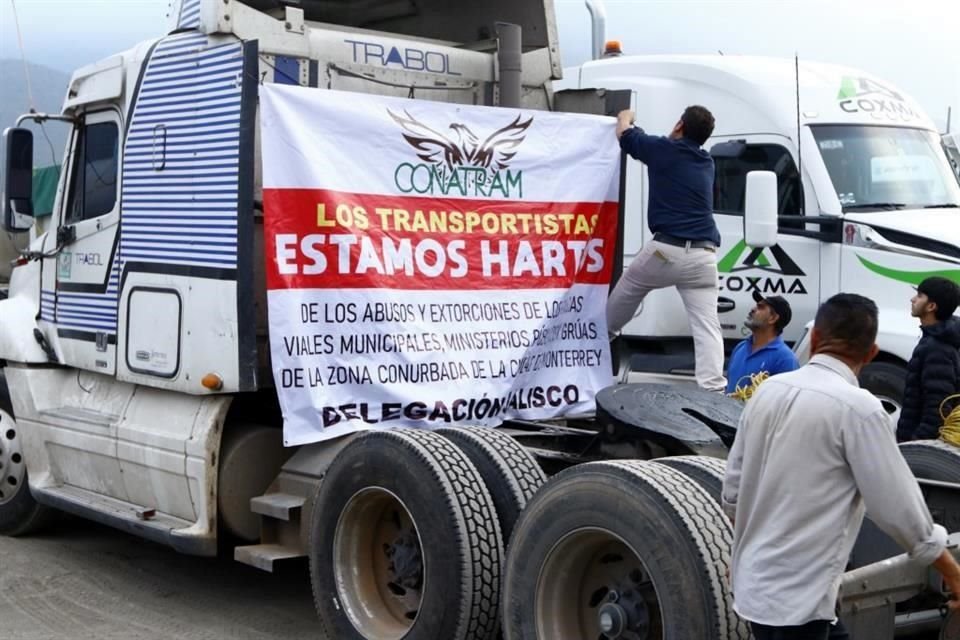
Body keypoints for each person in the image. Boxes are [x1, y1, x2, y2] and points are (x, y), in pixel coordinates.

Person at [722, 293, 960, 640]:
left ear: (816, 337)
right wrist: (952, 572)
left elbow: (733, 489)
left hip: (759, 587)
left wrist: (740, 555)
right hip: (800, 598)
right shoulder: (859, 409)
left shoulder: (767, 392)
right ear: (872, 353)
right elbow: (898, 507)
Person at [607, 105, 726, 391]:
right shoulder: (706, 162)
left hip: (665, 250)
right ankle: (713, 389)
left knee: (625, 296)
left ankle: (599, 340)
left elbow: (624, 133)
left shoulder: (663, 149)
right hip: (703, 256)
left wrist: (627, 115)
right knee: (707, 327)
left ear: (679, 125)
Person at [896, 276, 960, 442]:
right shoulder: (936, 338)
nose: (912, 299)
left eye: (919, 296)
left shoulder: (937, 348)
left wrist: (917, 444)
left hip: (919, 446)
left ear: (931, 306)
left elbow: (937, 408)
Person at [725, 291, 799, 394]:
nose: (753, 309)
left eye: (760, 307)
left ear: (773, 318)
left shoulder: (786, 359)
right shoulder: (740, 348)